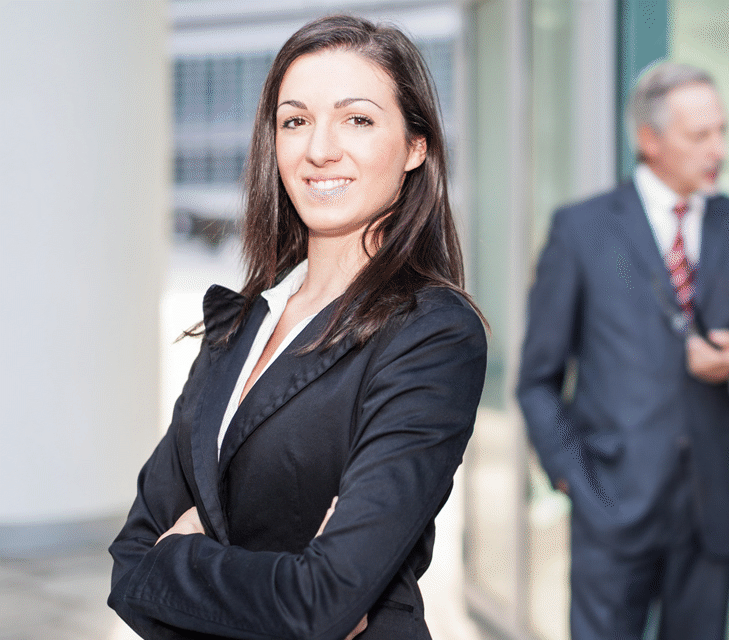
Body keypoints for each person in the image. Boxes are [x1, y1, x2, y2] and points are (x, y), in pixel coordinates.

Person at [107, 15, 487, 640]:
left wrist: (175, 559)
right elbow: (127, 565)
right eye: (295, 120)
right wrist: (282, 587)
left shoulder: (431, 333)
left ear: (416, 146)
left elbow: (322, 602)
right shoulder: (243, 320)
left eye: (357, 119)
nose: (319, 149)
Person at [516, 62, 729, 640]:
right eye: (701, 135)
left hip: (713, 507)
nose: (719, 148)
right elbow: (537, 379)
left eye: (723, 131)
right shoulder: (580, 230)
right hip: (610, 503)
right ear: (650, 140)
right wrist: (571, 476)